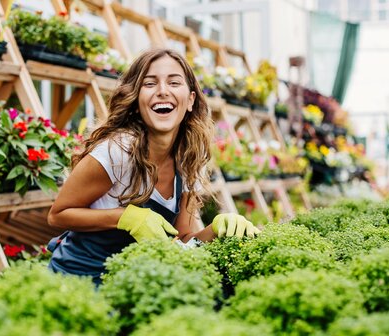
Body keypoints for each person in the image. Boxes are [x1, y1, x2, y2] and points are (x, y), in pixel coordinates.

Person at [47, 48, 260, 285]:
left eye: (174, 82)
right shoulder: (116, 153)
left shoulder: (188, 160)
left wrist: (216, 229)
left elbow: (181, 240)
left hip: (134, 281)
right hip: (81, 278)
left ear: (190, 100)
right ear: (137, 102)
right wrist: (125, 217)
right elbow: (58, 215)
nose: (162, 91)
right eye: (150, 84)